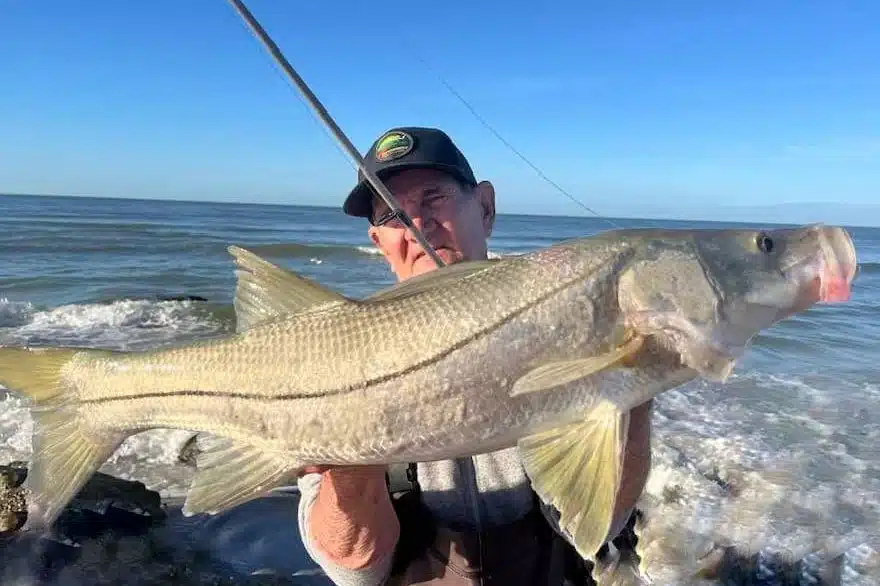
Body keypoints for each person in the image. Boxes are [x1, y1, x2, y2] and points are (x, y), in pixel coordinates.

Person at [296, 127, 654, 586]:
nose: (418, 225)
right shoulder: (330, 352)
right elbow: (355, 572)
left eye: (433, 198)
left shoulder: (561, 319)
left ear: (485, 208)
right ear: (378, 242)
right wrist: (351, 455)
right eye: (392, 216)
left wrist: (632, 382)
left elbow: (594, 525)